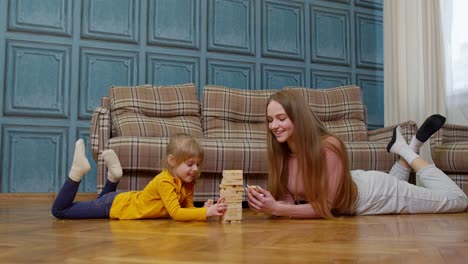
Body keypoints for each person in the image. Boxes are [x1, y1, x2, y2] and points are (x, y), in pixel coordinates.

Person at [246, 89, 468, 219]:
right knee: (395, 181)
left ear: (299, 118)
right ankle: (409, 148)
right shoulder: (281, 153)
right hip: (352, 182)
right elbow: (288, 203)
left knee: (457, 200)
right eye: (269, 120)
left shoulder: (328, 147)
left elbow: (326, 207)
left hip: (373, 194)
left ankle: (407, 152)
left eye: (281, 118)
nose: (273, 126)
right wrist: (271, 203)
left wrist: (276, 209)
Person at [52, 133, 228, 221]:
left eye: (198, 164)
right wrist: (205, 213)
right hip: (115, 206)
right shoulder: (165, 180)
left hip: (122, 201)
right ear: (172, 161)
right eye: (190, 164)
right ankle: (77, 171)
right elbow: (175, 213)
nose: (195, 169)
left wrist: (204, 209)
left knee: (97, 203)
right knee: (60, 211)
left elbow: (187, 208)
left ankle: (113, 177)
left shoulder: (187, 181)